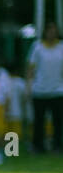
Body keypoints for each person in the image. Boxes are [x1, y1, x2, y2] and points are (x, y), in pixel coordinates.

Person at [27, 21, 63, 154]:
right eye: (49, 30)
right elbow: (30, 68)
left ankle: (57, 146)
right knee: (38, 121)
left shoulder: (61, 47)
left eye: (54, 30)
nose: (51, 33)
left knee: (57, 122)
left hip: (58, 90)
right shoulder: (37, 47)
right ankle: (37, 146)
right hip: (40, 90)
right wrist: (29, 86)